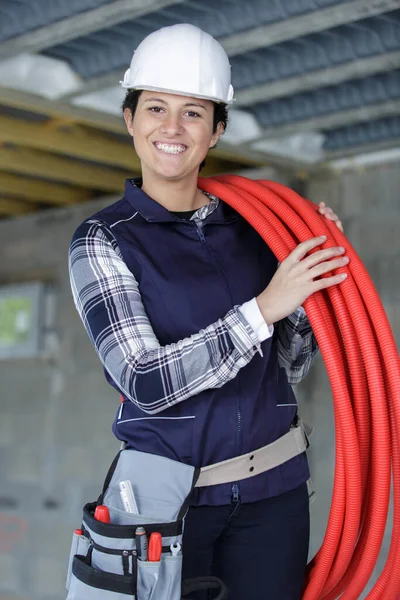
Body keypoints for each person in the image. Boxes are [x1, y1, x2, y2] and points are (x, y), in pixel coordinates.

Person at [68, 23, 347, 600]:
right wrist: (264, 307)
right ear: (130, 120)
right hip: (169, 504)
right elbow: (144, 380)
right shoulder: (103, 240)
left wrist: (308, 281)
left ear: (217, 130)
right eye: (156, 108)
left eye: (193, 113)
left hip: (276, 492)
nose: (172, 128)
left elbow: (287, 367)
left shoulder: (256, 229)